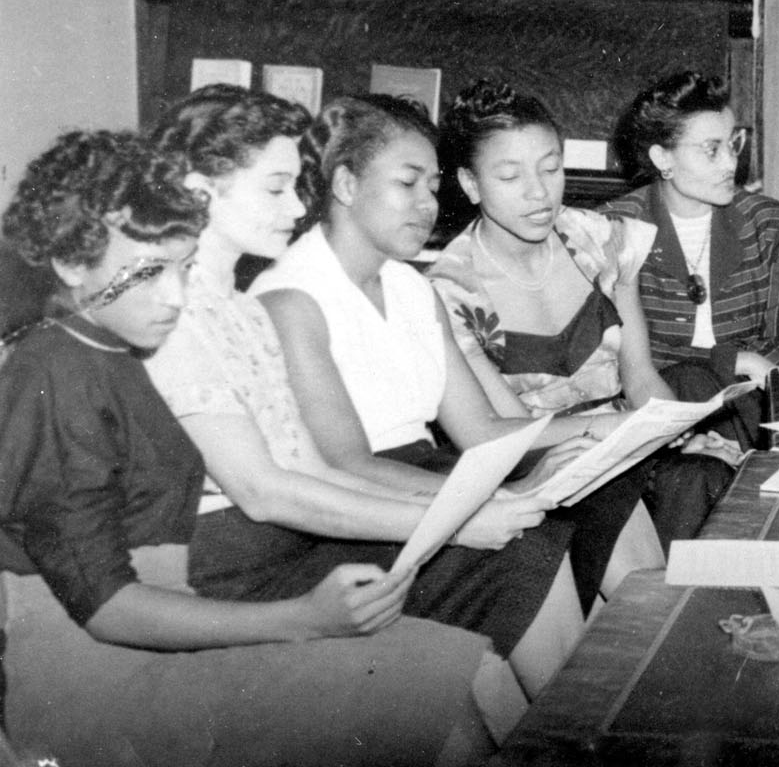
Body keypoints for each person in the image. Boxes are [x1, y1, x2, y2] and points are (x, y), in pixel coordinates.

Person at [0, 130, 505, 766]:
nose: (175, 296)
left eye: (184, 267)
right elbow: (106, 607)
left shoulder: (112, 349)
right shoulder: (53, 374)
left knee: (467, 671)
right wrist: (305, 619)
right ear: (72, 265)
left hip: (160, 639)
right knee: (442, 689)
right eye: (148, 272)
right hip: (97, 686)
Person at [143, 85, 590, 697]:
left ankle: (580, 722)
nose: (297, 204)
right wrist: (455, 522)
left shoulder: (239, 311)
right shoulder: (172, 313)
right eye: (275, 189)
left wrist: (467, 511)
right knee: (506, 565)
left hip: (289, 546)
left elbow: (309, 468)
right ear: (200, 192)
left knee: (508, 578)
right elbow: (266, 493)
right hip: (225, 574)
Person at [251, 95, 661, 620]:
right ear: (347, 185)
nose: (427, 204)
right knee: (527, 544)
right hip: (360, 510)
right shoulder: (292, 297)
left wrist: (589, 442)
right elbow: (345, 464)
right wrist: (489, 499)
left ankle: (646, 642)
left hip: (431, 477)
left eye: (431, 186)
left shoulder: (409, 287)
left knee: (592, 491)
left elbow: (480, 430)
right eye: (407, 184)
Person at [429, 80, 736, 548]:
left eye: (551, 169)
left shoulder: (603, 239)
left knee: (700, 471)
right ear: (471, 184)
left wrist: (674, 432)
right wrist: (626, 430)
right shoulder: (449, 292)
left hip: (625, 449)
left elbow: (640, 376)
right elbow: (513, 434)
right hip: (536, 467)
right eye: (510, 177)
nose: (539, 193)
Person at [603, 70, 779, 447]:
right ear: (662, 157)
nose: (730, 163)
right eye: (712, 149)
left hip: (743, 403)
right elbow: (620, 359)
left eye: (733, 144)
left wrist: (729, 370)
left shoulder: (767, 222)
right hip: (652, 405)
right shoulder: (616, 227)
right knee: (690, 384)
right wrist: (731, 359)